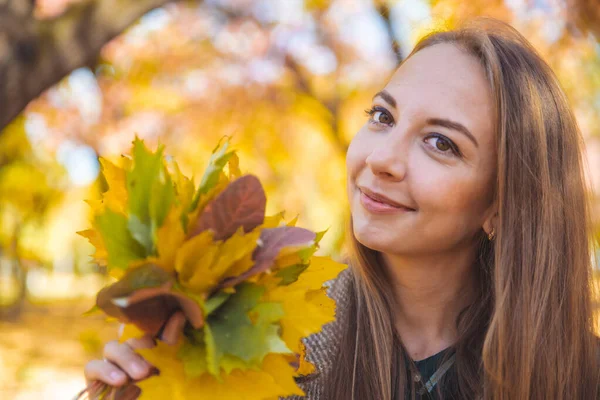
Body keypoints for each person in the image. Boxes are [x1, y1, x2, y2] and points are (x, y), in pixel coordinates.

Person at [84, 18, 600, 399]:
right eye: (382, 116)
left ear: (502, 205)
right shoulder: (268, 338)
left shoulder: (579, 374)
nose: (382, 159)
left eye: (441, 143)